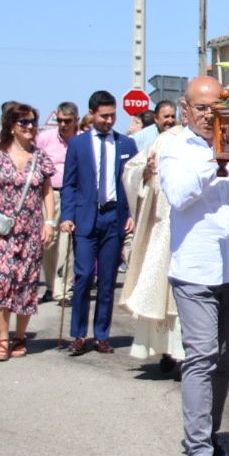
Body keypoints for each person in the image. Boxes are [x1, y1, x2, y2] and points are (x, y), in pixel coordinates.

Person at [158, 75, 229, 456]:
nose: (210, 115)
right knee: (200, 356)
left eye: (218, 108)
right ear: (185, 109)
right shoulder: (176, 149)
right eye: (202, 108)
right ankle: (197, 447)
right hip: (195, 269)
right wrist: (216, 157)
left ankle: (210, 435)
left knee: (224, 359)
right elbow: (179, 195)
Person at [0, 103, 56, 361]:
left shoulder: (40, 157)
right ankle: (3, 337)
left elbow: (47, 191)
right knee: (1, 279)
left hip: (30, 231)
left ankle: (20, 335)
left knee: (26, 284)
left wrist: (49, 222)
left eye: (33, 122)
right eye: (24, 123)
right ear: (11, 126)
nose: (30, 127)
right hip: (1, 230)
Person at [60, 90, 137, 355]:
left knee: (107, 280)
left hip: (113, 218)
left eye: (112, 115)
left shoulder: (126, 145)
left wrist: (132, 215)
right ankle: (79, 334)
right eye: (104, 116)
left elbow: (133, 185)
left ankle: (102, 334)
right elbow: (68, 184)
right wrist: (67, 216)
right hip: (85, 219)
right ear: (92, 114)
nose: (108, 120)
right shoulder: (78, 145)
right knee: (83, 277)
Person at [121, 122, 187, 373]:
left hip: (192, 230)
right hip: (164, 228)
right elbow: (131, 170)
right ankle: (168, 351)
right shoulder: (164, 140)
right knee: (162, 294)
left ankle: (186, 354)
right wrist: (146, 173)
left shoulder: (210, 137)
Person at [36, 101, 80, 302]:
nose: (63, 125)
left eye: (67, 121)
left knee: (68, 242)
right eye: (60, 121)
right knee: (49, 240)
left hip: (73, 194)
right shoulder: (45, 139)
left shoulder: (81, 140)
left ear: (76, 121)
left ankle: (64, 289)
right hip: (49, 194)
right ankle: (50, 285)